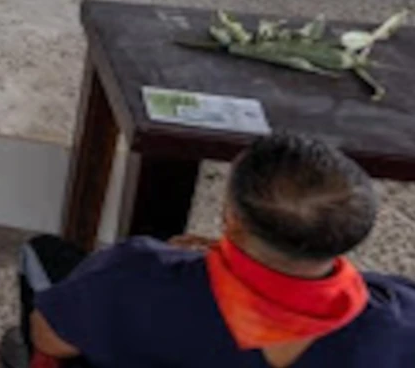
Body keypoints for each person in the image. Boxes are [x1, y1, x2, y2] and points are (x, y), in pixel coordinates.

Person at [21, 132, 415, 366]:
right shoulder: (400, 318)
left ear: (233, 220)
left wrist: (180, 261)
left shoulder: (138, 275)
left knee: (44, 255)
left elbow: (49, 339)